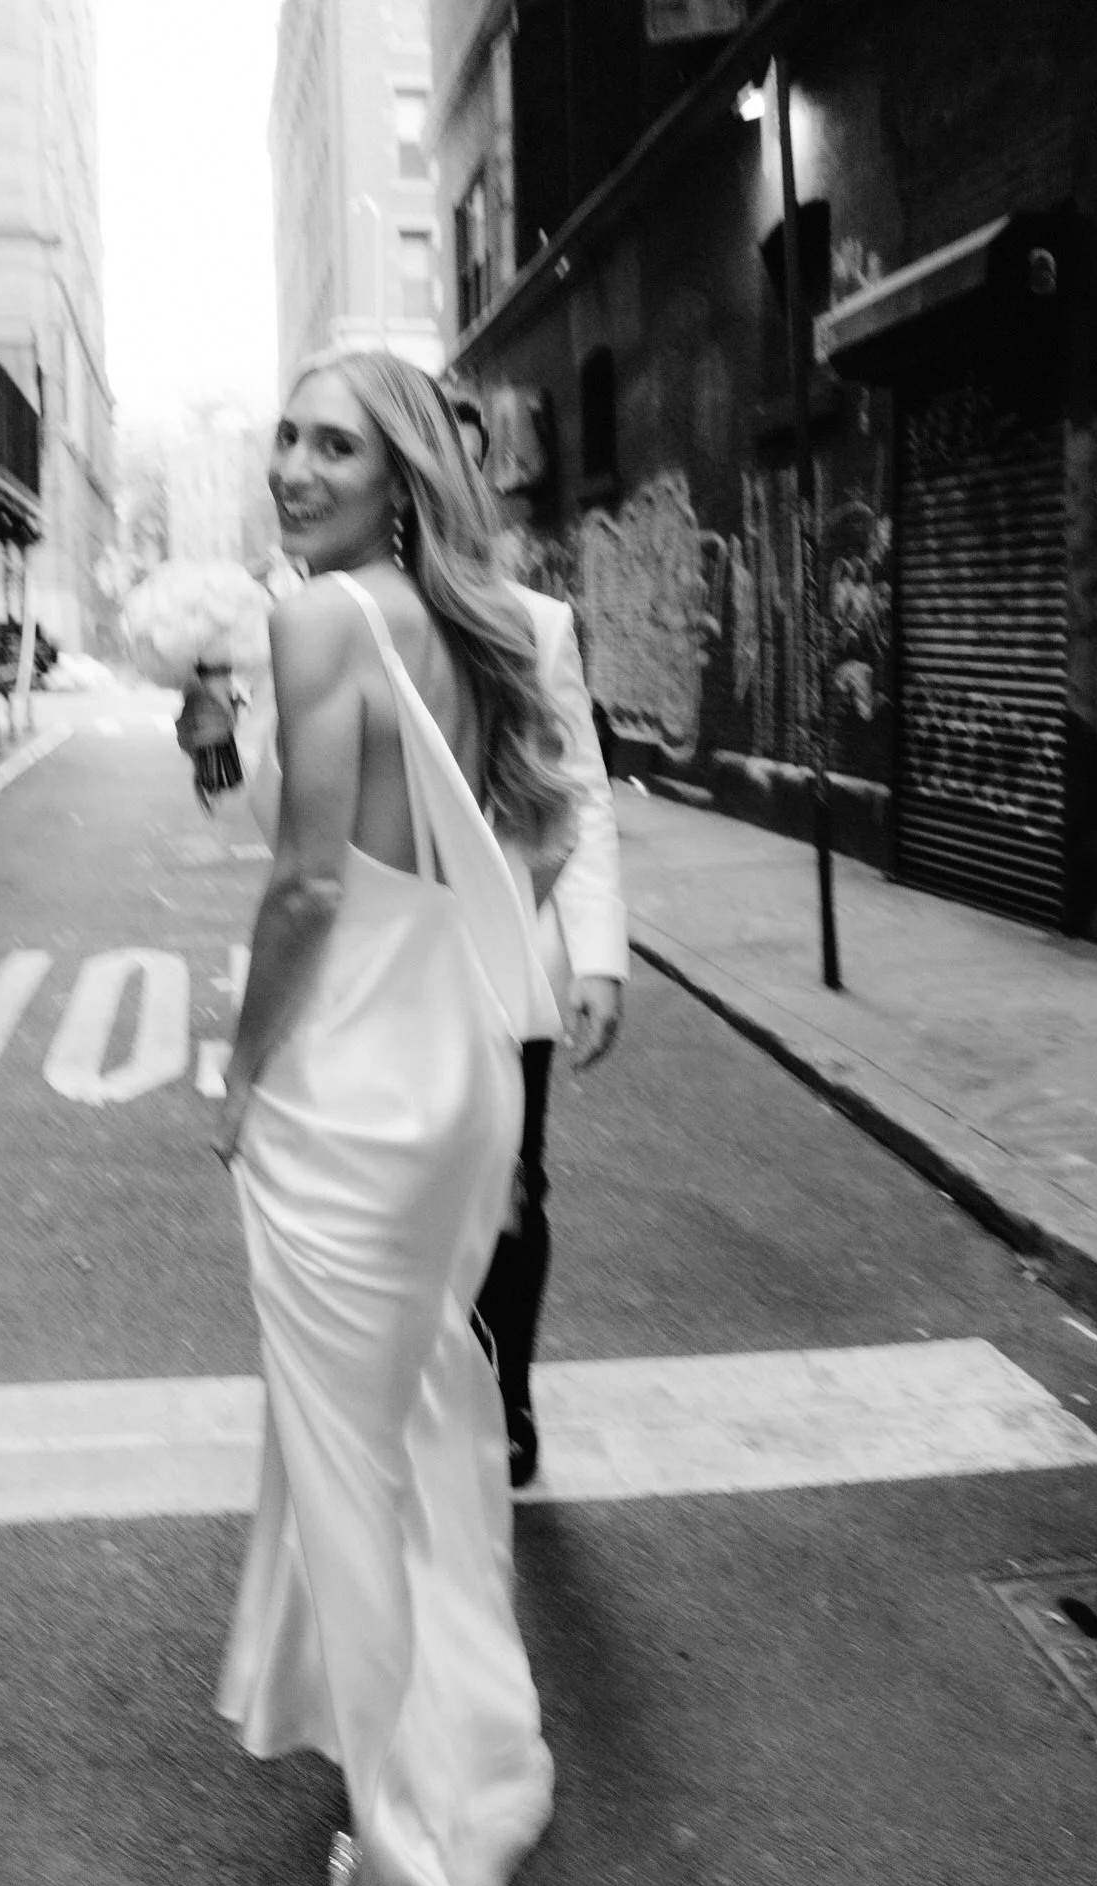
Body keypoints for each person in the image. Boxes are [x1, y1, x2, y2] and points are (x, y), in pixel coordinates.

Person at [213, 348, 574, 1886]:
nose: (293, 468)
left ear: (397, 476)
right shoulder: (484, 627)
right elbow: (544, 837)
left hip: (346, 1073)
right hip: (453, 1063)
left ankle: (410, 1869)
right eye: (284, 437)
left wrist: (238, 1076)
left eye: (332, 447)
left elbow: (298, 894)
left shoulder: (320, 620)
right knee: (418, 1417)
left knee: (347, 1463)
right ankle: (453, 1746)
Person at [449, 394, 629, 1489]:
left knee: (512, 1190)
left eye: (474, 466)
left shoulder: (535, 624)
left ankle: (505, 1393)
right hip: (376, 974)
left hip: (504, 963)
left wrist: (598, 950)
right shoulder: (329, 617)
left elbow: (582, 792)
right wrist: (220, 741)